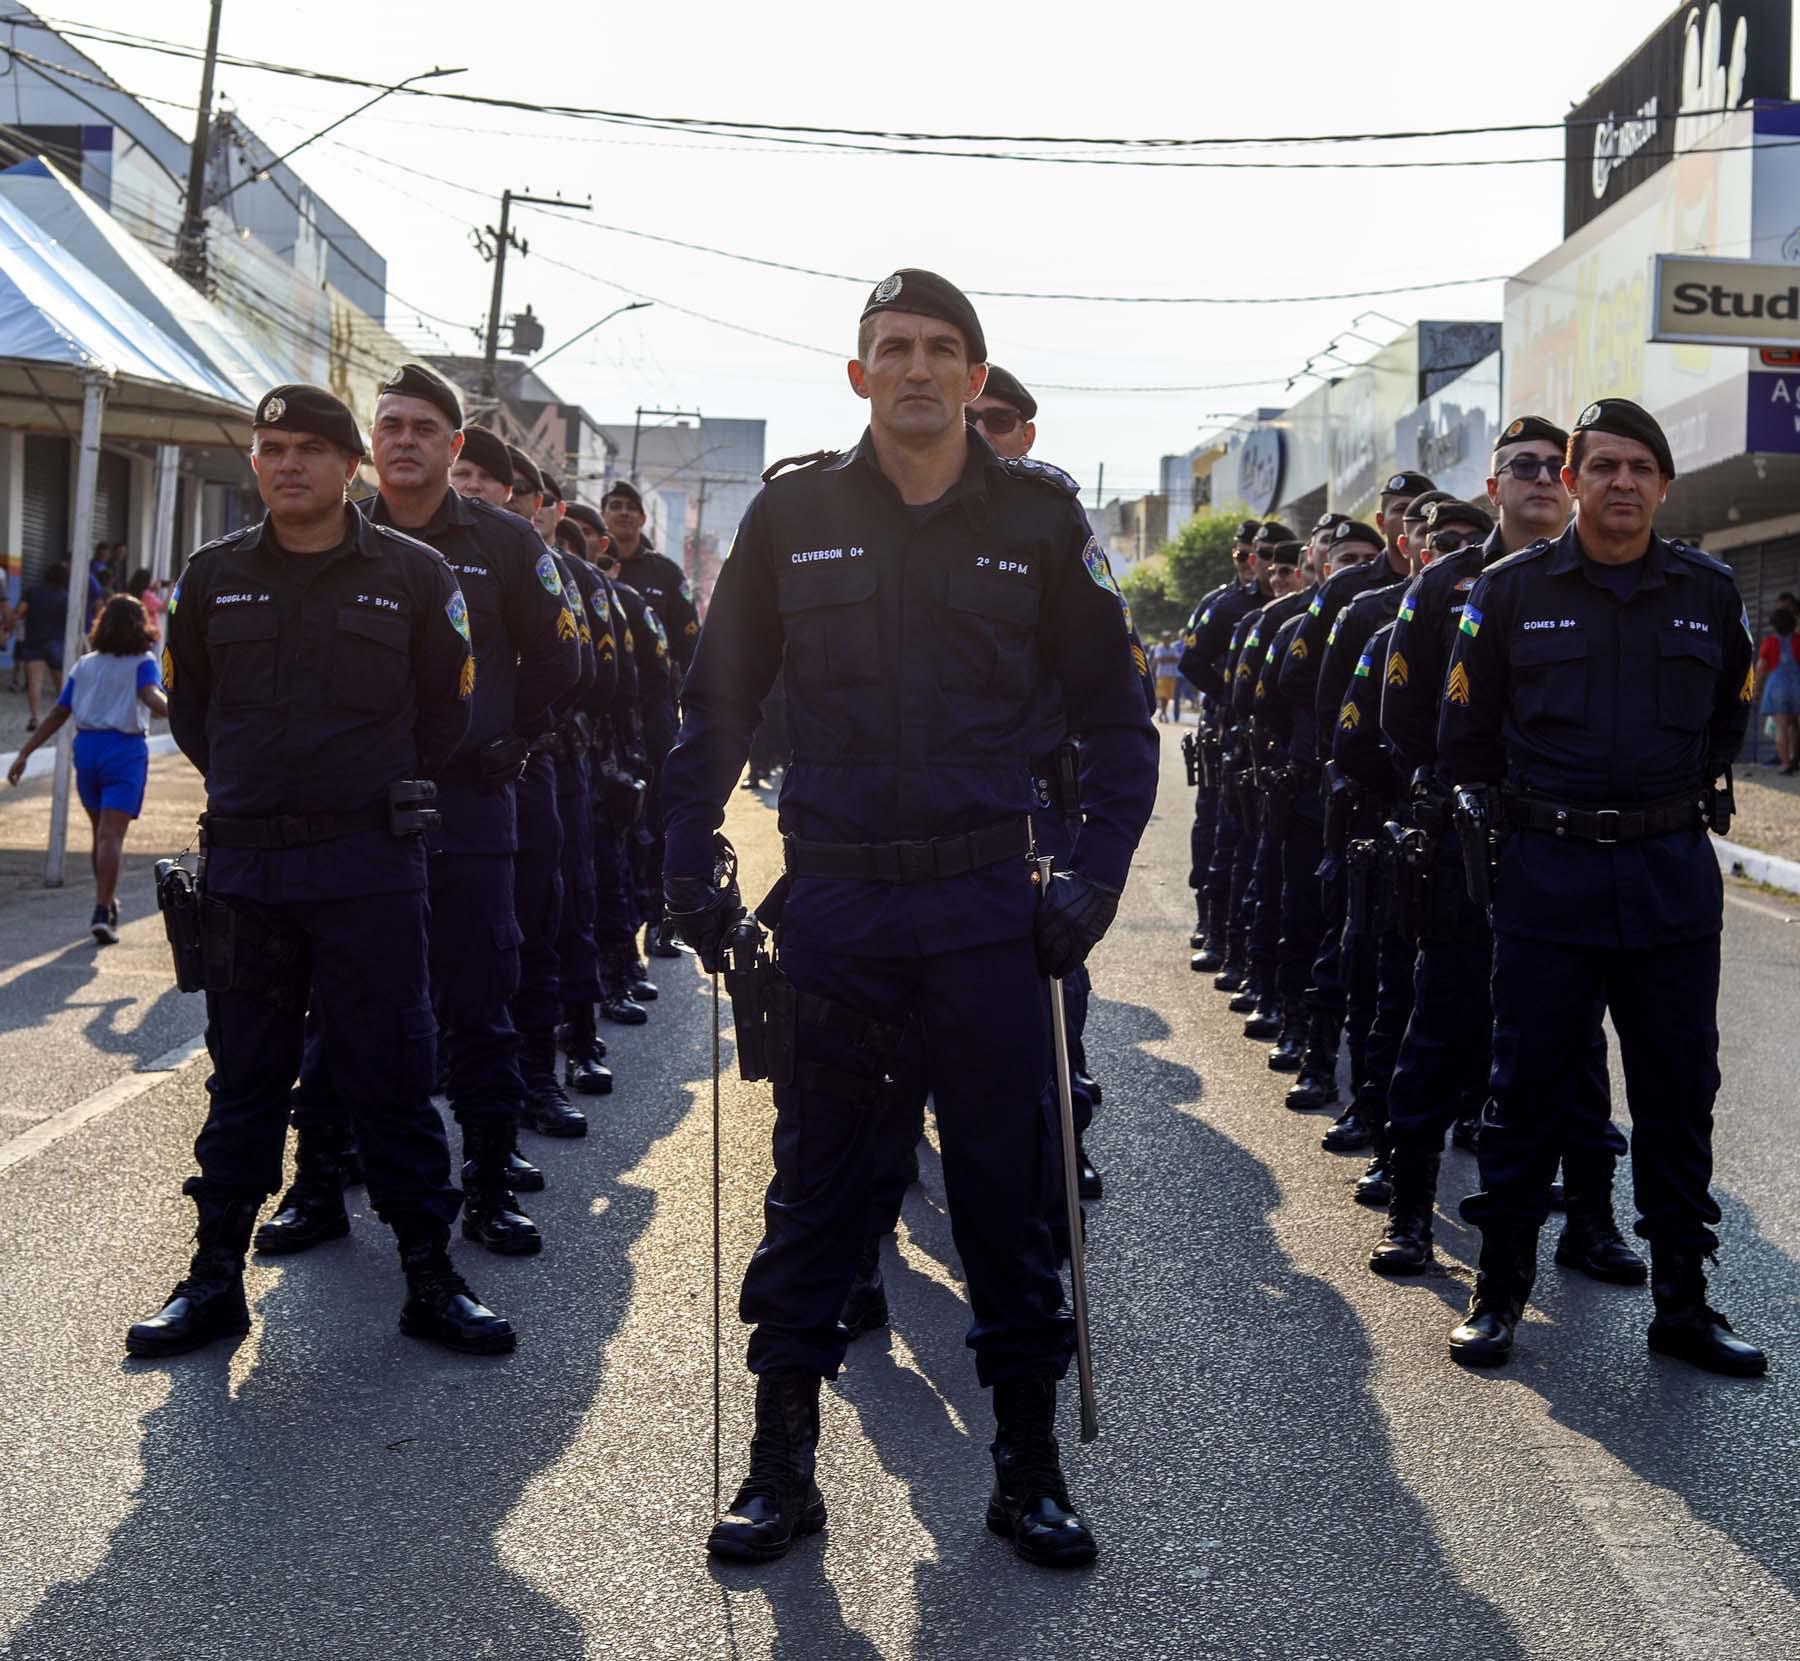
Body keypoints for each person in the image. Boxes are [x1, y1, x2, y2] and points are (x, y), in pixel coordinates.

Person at [660, 269, 1157, 1568]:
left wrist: (1095, 875)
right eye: (895, 347)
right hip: (839, 908)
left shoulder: (1041, 521)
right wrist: (679, 851)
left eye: (943, 348)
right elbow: (717, 701)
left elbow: (1117, 719)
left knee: (1008, 1192)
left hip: (992, 911)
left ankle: (1028, 1466)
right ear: (859, 373)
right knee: (819, 1187)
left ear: (976, 378)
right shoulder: (793, 514)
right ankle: (782, 1465)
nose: (919, 367)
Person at [132, 382, 515, 1361]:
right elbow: (192, 712)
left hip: (368, 866)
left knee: (392, 1069)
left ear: (351, 465)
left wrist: (356, 794)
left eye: (309, 448)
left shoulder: (416, 574)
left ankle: (429, 1274)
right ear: (255, 462)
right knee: (246, 1075)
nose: (287, 463)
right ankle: (214, 1276)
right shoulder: (213, 576)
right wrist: (266, 792)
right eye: (271, 448)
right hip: (249, 868)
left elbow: (447, 710)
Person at [1438, 397, 1764, 1377]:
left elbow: (1729, 719)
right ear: (1572, 479)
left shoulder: (1708, 591)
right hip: (1550, 874)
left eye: (1642, 467)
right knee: (1526, 1088)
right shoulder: (1508, 591)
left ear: (1664, 485)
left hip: (1669, 877)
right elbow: (1464, 735)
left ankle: (1684, 1304)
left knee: (1679, 1094)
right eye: (1605, 465)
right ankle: (1499, 1292)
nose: (1624, 482)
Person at [257, 367, 583, 1262]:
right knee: (339, 1002)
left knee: (480, 998)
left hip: (468, 806)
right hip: (355, 817)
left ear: (455, 444)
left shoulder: (506, 541)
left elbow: (563, 661)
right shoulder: (332, 533)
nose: (404, 440)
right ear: (371, 443)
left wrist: (506, 741)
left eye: (424, 427)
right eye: (391, 425)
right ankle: (318, 1180)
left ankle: (488, 1181)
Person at [1372, 419, 1638, 1285]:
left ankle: (1591, 1219)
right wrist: (1458, 798)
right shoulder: (1444, 583)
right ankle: (1412, 1209)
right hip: (1469, 848)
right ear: (1493, 487)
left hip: (1566, 853)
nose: (1539, 478)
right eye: (1520, 466)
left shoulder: (1603, 582)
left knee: (1578, 1045)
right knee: (1443, 1024)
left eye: (1552, 466)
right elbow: (1403, 716)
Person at [6, 593, 167, 942]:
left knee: (100, 833)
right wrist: (185, 710)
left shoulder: (85, 665)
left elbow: (58, 713)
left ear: (103, 625)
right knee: (112, 835)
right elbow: (151, 698)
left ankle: (105, 903)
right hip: (124, 751)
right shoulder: (142, 662)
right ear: (141, 625)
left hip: (88, 751)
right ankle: (102, 909)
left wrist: (25, 753)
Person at [601, 478, 698, 961]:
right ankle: (613, 929)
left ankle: (660, 920)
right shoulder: (589, 566)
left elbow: (690, 642)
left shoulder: (663, 572)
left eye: (630, 507)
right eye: (614, 506)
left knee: (657, 812)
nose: (622, 513)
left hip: (654, 712)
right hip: (602, 715)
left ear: (642, 518)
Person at [14, 560, 71, 730]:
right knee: (61, 683)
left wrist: (9, 628)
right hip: (57, 643)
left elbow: (20, 612)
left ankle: (34, 718)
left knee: (34, 682)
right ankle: (64, 716)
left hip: (34, 642)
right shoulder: (66, 597)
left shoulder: (32, 592)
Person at [1754, 603, 1800, 773]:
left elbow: (1761, 667)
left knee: (1781, 727)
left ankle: (1785, 764)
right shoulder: (1798, 640)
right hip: (1798, 684)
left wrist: (1757, 689)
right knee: (1795, 726)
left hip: (1777, 686)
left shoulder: (1770, 642)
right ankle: (1795, 759)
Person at [127, 568, 164, 640]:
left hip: (135, 631)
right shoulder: (147, 595)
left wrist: (152, 590)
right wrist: (174, 592)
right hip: (150, 633)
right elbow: (167, 609)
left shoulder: (131, 592)